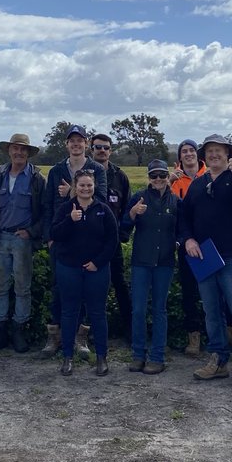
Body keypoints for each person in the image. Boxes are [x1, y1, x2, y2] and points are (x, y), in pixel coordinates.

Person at [178, 135, 232, 390]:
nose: (214, 154)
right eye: (210, 151)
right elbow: (184, 217)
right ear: (204, 156)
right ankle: (218, 360)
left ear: (229, 153)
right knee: (212, 312)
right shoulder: (198, 184)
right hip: (204, 256)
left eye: (219, 150)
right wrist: (188, 239)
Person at [39, 125, 107, 357]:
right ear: (66, 144)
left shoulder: (97, 169)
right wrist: (49, 236)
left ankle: (80, 337)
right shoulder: (56, 170)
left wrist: (72, 192)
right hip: (61, 238)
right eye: (72, 141)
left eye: (80, 140)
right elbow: (48, 205)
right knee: (59, 287)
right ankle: (55, 335)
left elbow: (101, 198)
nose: (76, 144)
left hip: (88, 239)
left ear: (86, 144)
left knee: (85, 289)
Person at [0, 133, 47, 354]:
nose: (19, 153)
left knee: (22, 288)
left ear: (28, 153)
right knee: (0, 287)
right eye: (15, 149)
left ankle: (19, 332)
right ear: (9, 151)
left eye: (23, 149)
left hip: (21, 240)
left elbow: (46, 212)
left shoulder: (37, 179)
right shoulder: (0, 175)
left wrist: (31, 232)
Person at [50, 170, 118, 376]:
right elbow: (54, 234)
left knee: (97, 313)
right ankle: (68, 357)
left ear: (94, 186)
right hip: (69, 268)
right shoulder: (65, 209)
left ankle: (101, 358)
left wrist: (98, 262)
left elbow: (112, 241)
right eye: (82, 185)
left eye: (89, 185)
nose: (86, 189)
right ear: (75, 186)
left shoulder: (103, 210)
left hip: (97, 270)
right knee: (69, 313)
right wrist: (70, 220)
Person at [123, 159, 179, 374]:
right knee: (138, 309)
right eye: (154, 175)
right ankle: (138, 355)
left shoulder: (176, 201)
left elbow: (183, 229)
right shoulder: (138, 197)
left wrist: (179, 242)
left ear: (167, 176)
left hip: (165, 262)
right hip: (141, 261)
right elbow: (123, 227)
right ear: (148, 177)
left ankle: (157, 357)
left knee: (159, 309)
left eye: (162, 175)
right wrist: (132, 213)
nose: (158, 179)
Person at [90, 133, 132, 337]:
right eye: (98, 147)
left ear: (111, 151)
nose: (102, 151)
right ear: (91, 150)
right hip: (89, 241)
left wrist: (122, 234)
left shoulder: (120, 176)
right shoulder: (84, 173)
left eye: (106, 147)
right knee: (92, 285)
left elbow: (128, 208)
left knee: (119, 282)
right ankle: (91, 330)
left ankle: (129, 328)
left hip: (112, 241)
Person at [169, 138, 206, 357]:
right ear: (180, 157)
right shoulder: (175, 180)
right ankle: (194, 336)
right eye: (184, 151)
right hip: (186, 243)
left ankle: (223, 333)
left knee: (215, 291)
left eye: (192, 150)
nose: (189, 154)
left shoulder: (209, 174)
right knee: (189, 292)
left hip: (210, 243)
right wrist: (168, 182)